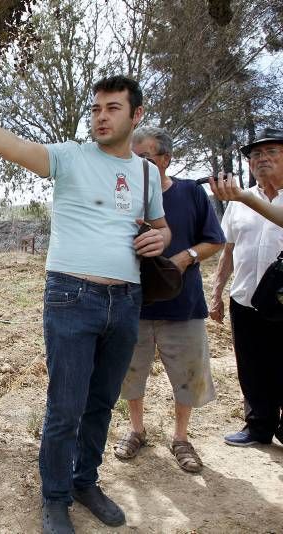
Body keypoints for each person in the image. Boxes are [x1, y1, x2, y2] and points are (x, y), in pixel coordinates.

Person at [0, 75, 170, 534]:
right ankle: (55, 498)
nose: (101, 116)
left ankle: (85, 482)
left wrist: (162, 237)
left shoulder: (146, 173)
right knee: (66, 406)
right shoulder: (70, 156)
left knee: (101, 403)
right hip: (71, 297)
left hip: (126, 301)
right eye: (97, 108)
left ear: (136, 116)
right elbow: (16, 146)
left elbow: (161, 225)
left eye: (113, 108)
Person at [114, 127, 225, 473]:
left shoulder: (190, 193)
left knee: (188, 374)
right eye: (132, 157)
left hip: (183, 305)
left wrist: (185, 256)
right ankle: (136, 430)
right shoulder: (123, 196)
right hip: (133, 304)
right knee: (130, 372)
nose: (137, 164)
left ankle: (181, 438)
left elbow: (215, 240)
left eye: (145, 157)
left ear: (165, 159)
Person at [210, 127, 283, 447]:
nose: (262, 159)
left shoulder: (244, 198)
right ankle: (258, 427)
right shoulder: (239, 203)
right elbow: (228, 250)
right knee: (252, 366)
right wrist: (217, 293)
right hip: (245, 298)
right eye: (255, 155)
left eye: (271, 153)